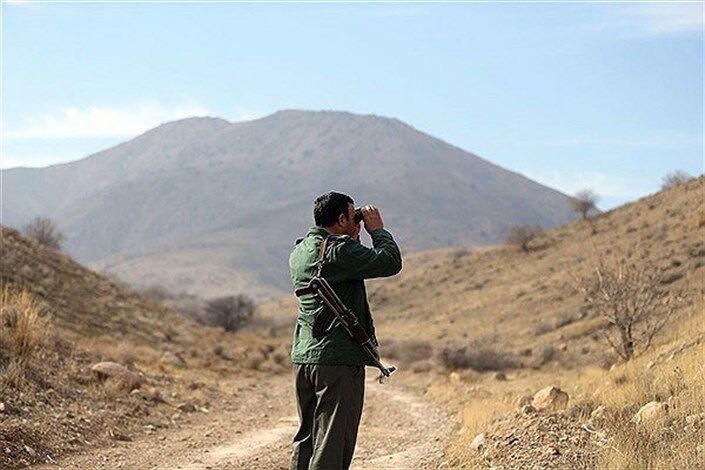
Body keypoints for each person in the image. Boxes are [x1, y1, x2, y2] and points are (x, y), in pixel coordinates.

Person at [289, 191, 402, 470]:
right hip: (337, 358)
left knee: (308, 437)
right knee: (333, 442)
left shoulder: (301, 249)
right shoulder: (339, 250)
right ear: (341, 219)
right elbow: (389, 262)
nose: (358, 221)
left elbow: (343, 266)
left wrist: (353, 234)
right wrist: (378, 231)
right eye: (354, 217)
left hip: (305, 356)